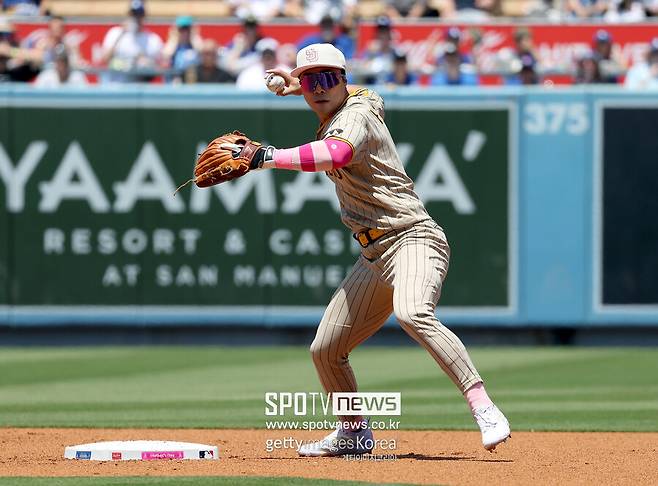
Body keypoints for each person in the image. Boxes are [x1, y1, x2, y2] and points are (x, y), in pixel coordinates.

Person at [253, 43, 511, 456]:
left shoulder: (356, 115)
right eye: (311, 81)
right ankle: (353, 432)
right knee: (326, 349)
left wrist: (268, 157)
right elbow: (339, 99)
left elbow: (335, 152)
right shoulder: (354, 100)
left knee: (412, 312)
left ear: (343, 81)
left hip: (412, 237)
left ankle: (482, 405)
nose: (320, 88)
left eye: (328, 79)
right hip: (373, 257)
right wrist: (294, 87)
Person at [100, 0, 164, 83]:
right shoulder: (115, 33)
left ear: (144, 15)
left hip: (139, 90)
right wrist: (122, 33)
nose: (136, 18)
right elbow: (104, 59)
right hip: (116, 87)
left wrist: (148, 64)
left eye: (139, 14)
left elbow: (162, 68)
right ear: (128, 15)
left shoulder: (153, 40)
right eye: (133, 14)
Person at [163, 15, 202, 84]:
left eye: (187, 29)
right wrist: (174, 39)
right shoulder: (173, 45)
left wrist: (194, 37)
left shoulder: (196, 44)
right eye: (181, 29)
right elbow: (166, 57)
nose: (185, 32)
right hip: (175, 82)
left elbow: (202, 54)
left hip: (194, 82)